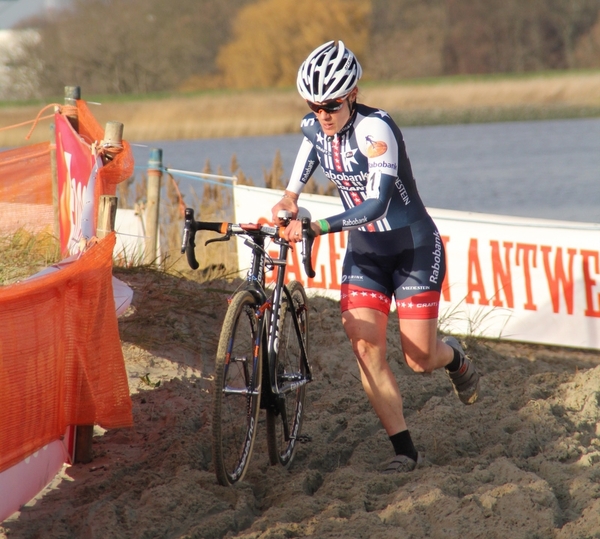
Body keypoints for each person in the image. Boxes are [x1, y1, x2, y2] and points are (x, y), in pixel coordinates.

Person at [270, 40, 481, 473]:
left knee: (419, 359)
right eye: (313, 105)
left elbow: (377, 205)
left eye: (330, 104)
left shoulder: (375, 130)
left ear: (352, 94)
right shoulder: (314, 127)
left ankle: (454, 357)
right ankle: (404, 450)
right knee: (365, 345)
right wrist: (288, 199)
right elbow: (307, 159)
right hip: (366, 253)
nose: (322, 114)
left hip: (412, 248)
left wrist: (317, 226)